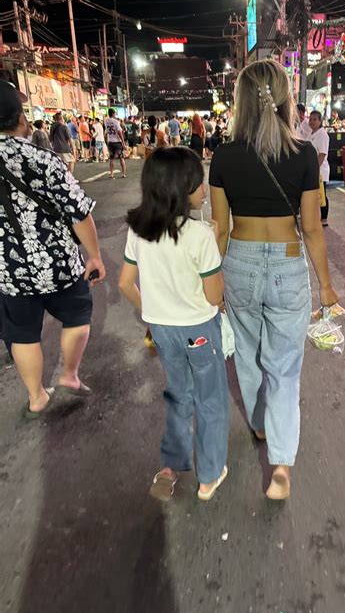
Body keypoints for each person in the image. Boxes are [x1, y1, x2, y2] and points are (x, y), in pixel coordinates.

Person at [210, 59, 338, 500]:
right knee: (284, 368)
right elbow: (312, 229)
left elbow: (220, 230)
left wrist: (212, 281)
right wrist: (325, 286)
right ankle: (281, 469)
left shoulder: (223, 155)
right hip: (286, 262)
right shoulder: (303, 153)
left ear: (241, 102)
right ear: (285, 99)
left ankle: (260, 424)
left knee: (246, 355)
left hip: (239, 262)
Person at [118, 147, 229, 502]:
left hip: (162, 330)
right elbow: (214, 297)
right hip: (198, 328)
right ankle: (209, 475)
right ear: (180, 190)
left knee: (179, 393)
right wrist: (213, 245)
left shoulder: (138, 232)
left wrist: (151, 312)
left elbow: (124, 283)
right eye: (199, 184)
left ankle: (169, 466)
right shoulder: (199, 236)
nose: (204, 190)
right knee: (210, 399)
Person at [0, 79, 106, 417]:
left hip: (9, 271)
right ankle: (69, 375)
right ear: (19, 118)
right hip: (58, 262)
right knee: (77, 315)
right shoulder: (41, 159)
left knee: (22, 334)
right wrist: (94, 256)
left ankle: (36, 398)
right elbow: (78, 212)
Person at [308, 110, 330, 226]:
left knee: (322, 194)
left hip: (320, 170)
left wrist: (315, 169)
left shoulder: (322, 135)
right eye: (310, 119)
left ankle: (324, 218)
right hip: (312, 169)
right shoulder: (312, 133)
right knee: (314, 194)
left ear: (320, 121)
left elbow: (322, 154)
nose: (311, 122)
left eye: (315, 119)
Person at [104, 108, 127, 179]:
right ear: (113, 113)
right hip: (117, 142)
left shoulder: (106, 121)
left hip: (110, 141)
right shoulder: (116, 122)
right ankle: (123, 173)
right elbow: (119, 132)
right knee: (121, 158)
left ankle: (111, 174)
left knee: (111, 158)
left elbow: (106, 132)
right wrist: (123, 142)